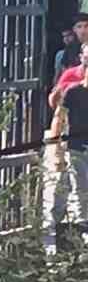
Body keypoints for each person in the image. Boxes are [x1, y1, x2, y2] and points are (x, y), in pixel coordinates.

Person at [43, 73, 88, 255]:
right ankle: (80, 238)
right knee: (80, 192)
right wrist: (56, 151)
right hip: (78, 149)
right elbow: (58, 118)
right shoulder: (73, 92)